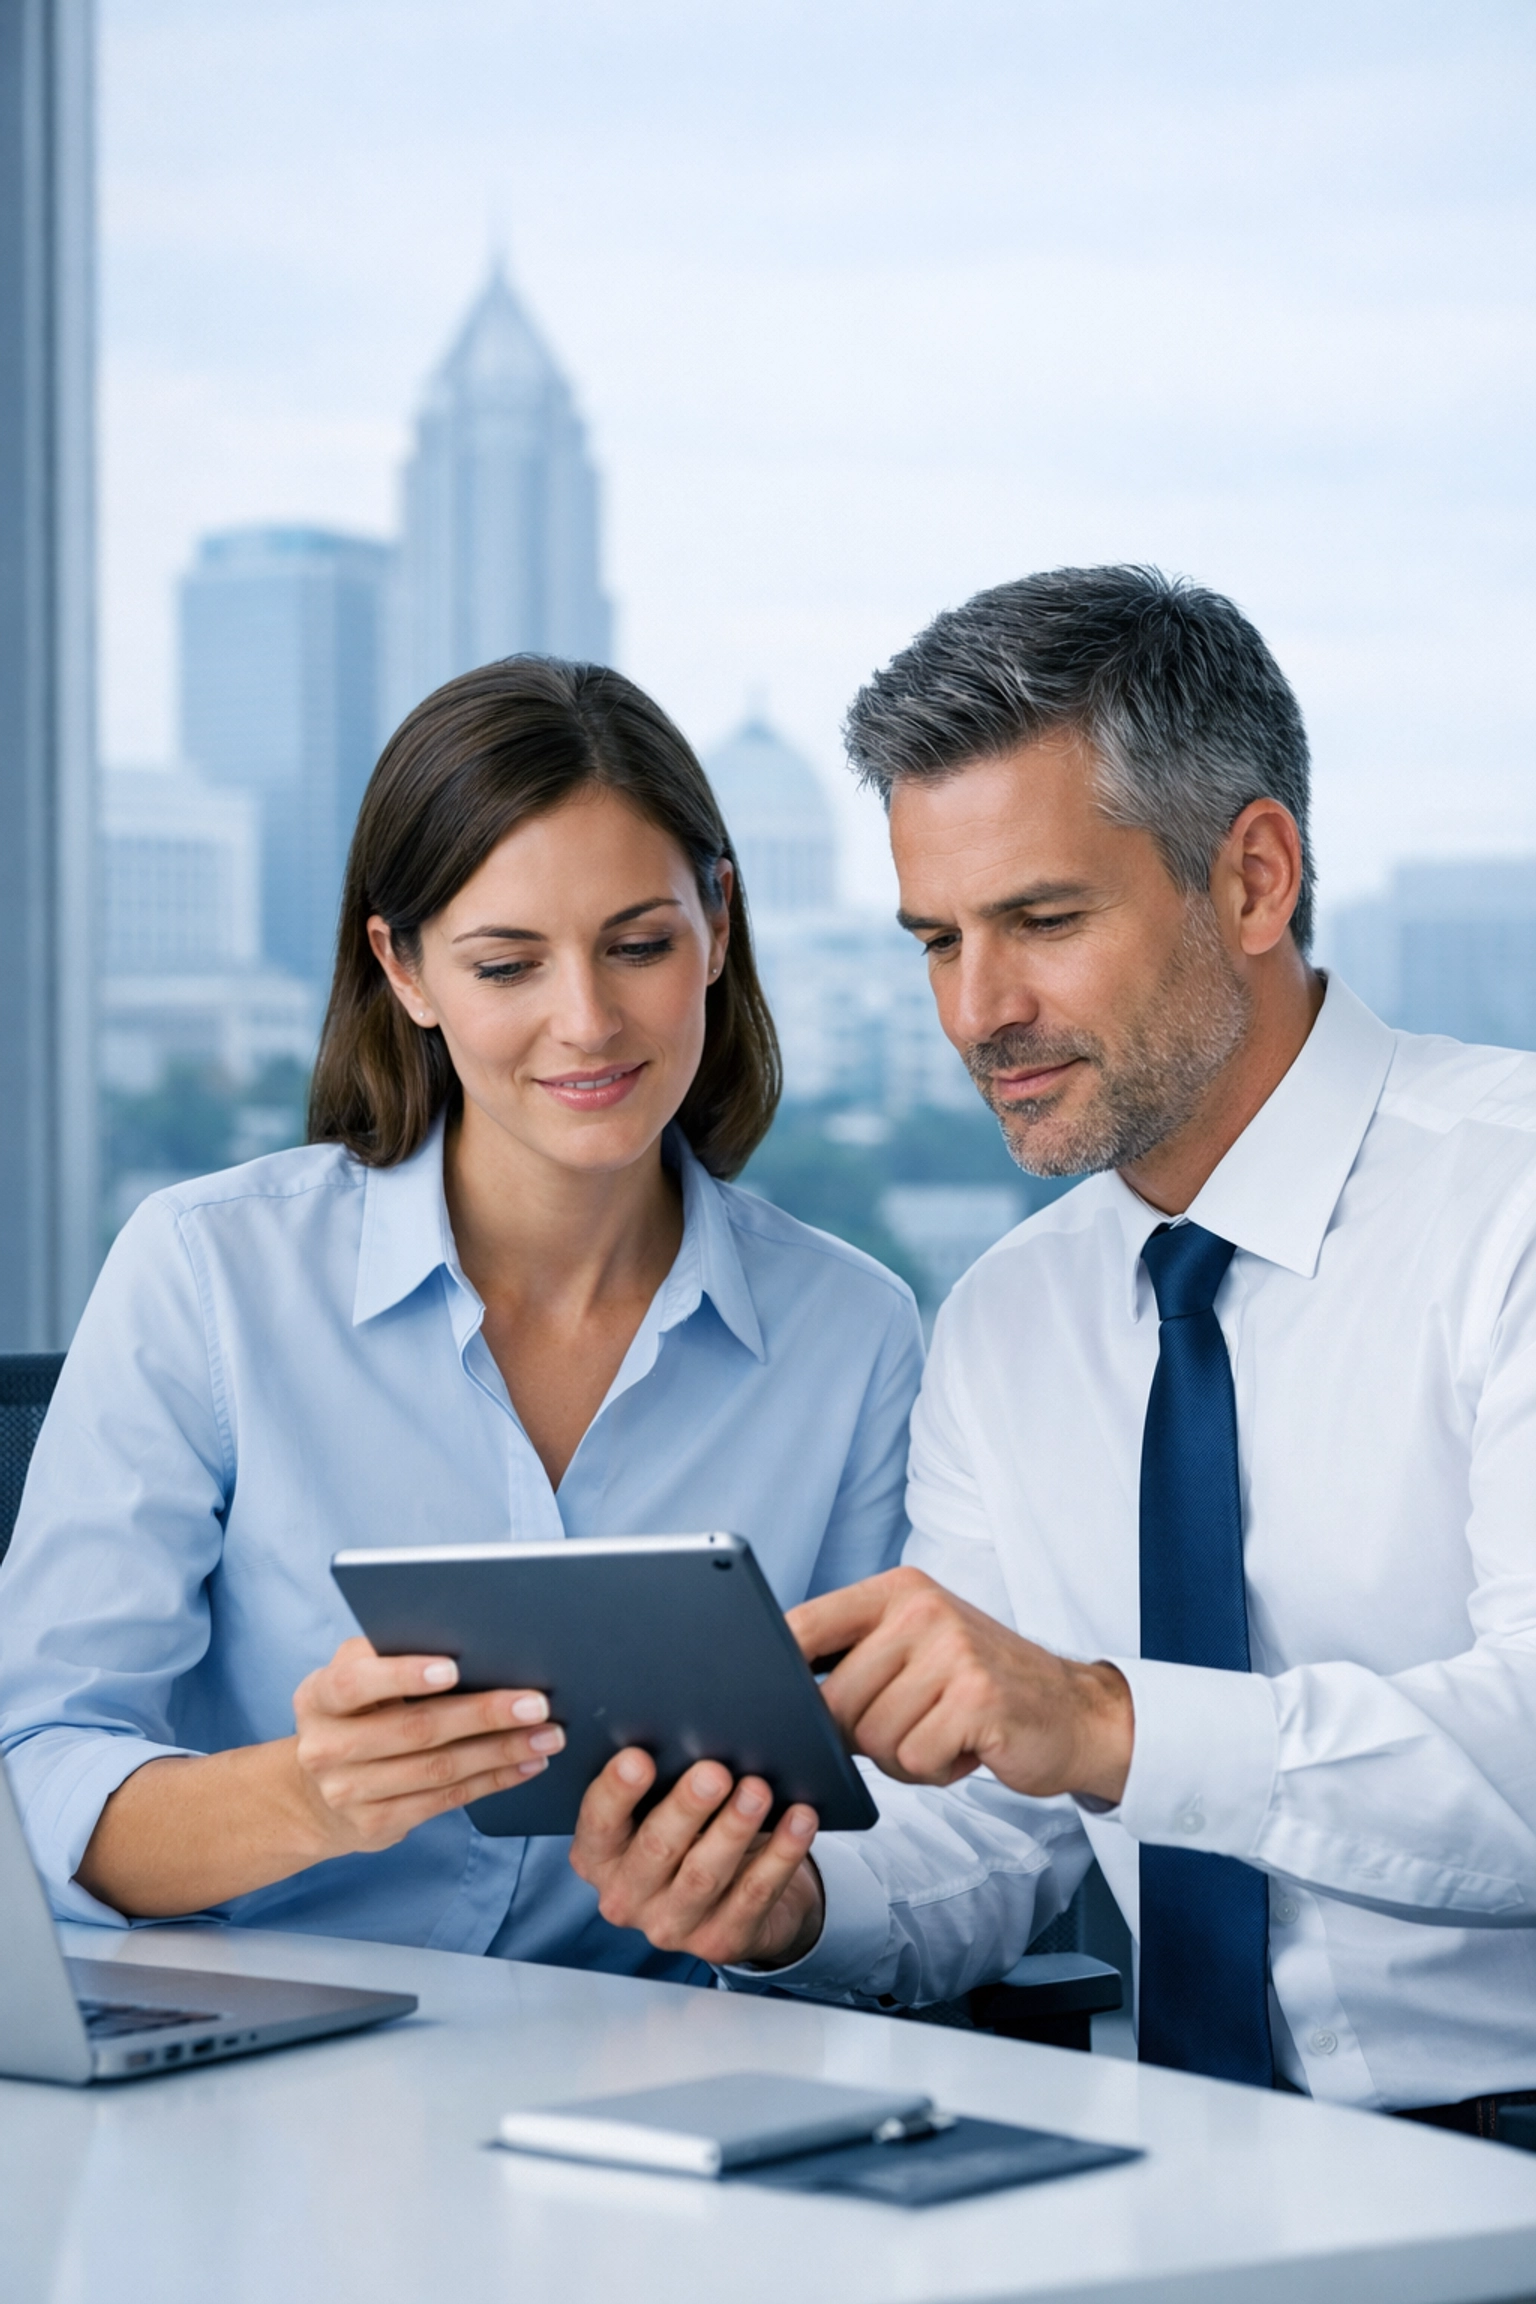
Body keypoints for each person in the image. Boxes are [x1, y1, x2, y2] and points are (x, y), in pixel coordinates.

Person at [566, 566, 1536, 2132]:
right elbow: (992, 1842)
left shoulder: (1513, 1205)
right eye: (935, 940)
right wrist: (790, 1912)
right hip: (1184, 2160)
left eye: (1041, 921)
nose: (977, 1009)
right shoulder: (1011, 1318)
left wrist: (1102, 1720)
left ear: (1255, 880)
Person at [0, 657, 921, 1981]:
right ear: (405, 969)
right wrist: (308, 1798)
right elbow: (36, 1774)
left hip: (648, 2086)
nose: (588, 1021)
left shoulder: (854, 1335)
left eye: (640, 944)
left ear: (718, 924)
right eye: (507, 964)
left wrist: (775, 1907)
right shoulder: (207, 1275)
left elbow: (894, 1823)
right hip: (264, 2080)